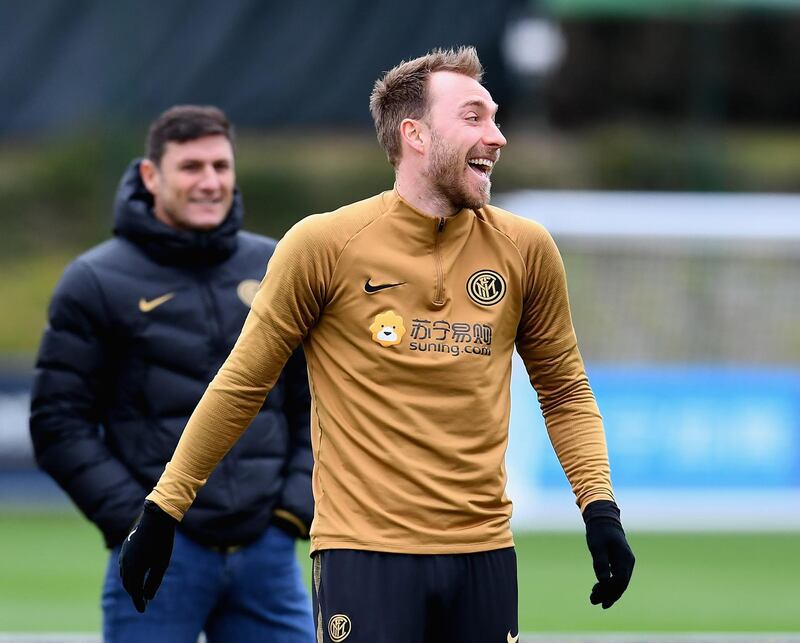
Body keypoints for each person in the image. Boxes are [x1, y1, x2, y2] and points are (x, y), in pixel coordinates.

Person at [120, 49, 635, 642]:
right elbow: (241, 386)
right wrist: (163, 512)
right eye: (474, 117)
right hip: (365, 556)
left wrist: (600, 510)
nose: (497, 136)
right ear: (415, 134)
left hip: (485, 553)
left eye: (495, 118)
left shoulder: (526, 248)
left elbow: (565, 391)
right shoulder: (324, 244)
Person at [30, 105, 315, 643]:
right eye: (191, 167)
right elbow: (57, 424)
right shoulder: (95, 281)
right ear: (150, 176)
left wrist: (291, 513)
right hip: (160, 555)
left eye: (220, 166)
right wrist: (135, 522)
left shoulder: (276, 265)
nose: (210, 182)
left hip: (267, 556)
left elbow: (315, 399)